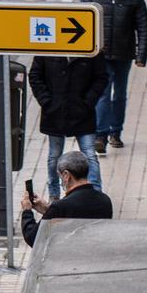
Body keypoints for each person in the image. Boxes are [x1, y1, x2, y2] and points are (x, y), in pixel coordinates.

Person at [82, 0, 147, 152]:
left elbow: (143, 27)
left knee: (119, 95)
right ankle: (100, 135)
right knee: (103, 94)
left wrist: (141, 55)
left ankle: (115, 132)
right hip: (101, 55)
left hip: (123, 54)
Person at [28, 51, 107, 199]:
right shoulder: (49, 48)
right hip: (56, 113)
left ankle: (96, 194)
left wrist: (88, 102)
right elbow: (35, 76)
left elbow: (101, 78)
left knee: (90, 154)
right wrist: (47, 102)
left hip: (82, 113)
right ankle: (54, 195)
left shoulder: (90, 48)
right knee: (54, 156)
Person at [21, 150, 112, 246]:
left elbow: (33, 239)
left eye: (59, 176)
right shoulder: (105, 201)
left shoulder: (61, 207)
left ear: (66, 175)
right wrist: (48, 210)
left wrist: (27, 211)